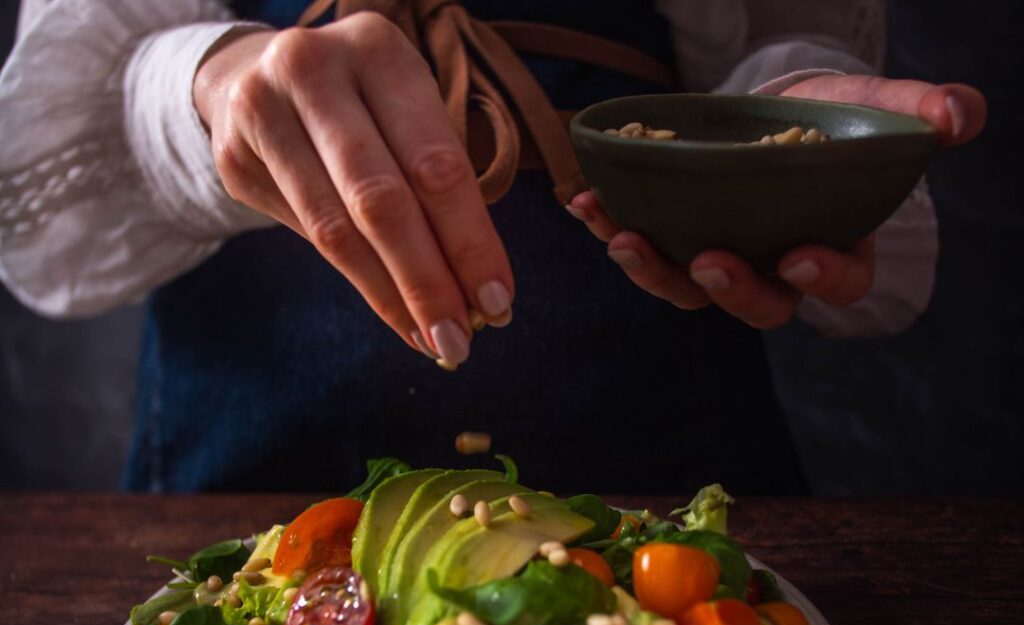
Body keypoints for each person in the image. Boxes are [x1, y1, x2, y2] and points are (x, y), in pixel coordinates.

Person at [0, 1, 986, 494]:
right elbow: (50, 181)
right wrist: (214, 86)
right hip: (250, 473)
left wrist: (784, 133)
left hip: (672, 472)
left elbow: (764, 41)